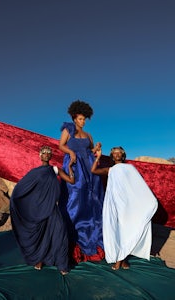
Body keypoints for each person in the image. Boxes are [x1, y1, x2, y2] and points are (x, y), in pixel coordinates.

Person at [10, 146, 75, 275]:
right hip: (38, 209)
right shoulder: (34, 172)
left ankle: (62, 264)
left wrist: (70, 167)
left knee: (60, 232)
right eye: (44, 153)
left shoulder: (55, 170)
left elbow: (71, 181)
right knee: (41, 234)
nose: (46, 154)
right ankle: (39, 260)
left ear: (51, 156)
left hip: (52, 208)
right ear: (40, 156)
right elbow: (21, 187)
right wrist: (15, 199)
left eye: (49, 153)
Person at [91, 146, 158, 270]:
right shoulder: (110, 170)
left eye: (119, 153)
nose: (117, 155)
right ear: (112, 156)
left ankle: (121, 260)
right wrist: (98, 157)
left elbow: (137, 185)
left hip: (127, 205)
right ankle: (120, 259)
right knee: (116, 230)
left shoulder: (130, 168)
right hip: (114, 203)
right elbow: (93, 170)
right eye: (114, 153)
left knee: (126, 230)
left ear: (123, 155)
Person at [59, 99, 105, 260]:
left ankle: (92, 234)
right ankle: (73, 236)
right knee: (75, 198)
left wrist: (96, 149)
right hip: (75, 166)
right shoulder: (68, 129)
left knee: (92, 199)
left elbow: (90, 151)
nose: (83, 121)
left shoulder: (88, 135)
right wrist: (71, 153)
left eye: (84, 119)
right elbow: (61, 145)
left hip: (89, 167)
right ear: (74, 118)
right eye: (80, 118)